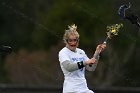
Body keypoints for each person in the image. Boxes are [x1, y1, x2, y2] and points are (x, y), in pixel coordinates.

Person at [58, 24, 106, 93]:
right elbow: (69, 67)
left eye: (75, 40)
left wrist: (97, 53)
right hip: (71, 90)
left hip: (83, 89)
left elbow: (91, 68)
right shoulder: (63, 52)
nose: (73, 43)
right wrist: (85, 62)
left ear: (78, 41)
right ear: (66, 41)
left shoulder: (81, 52)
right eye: (70, 40)